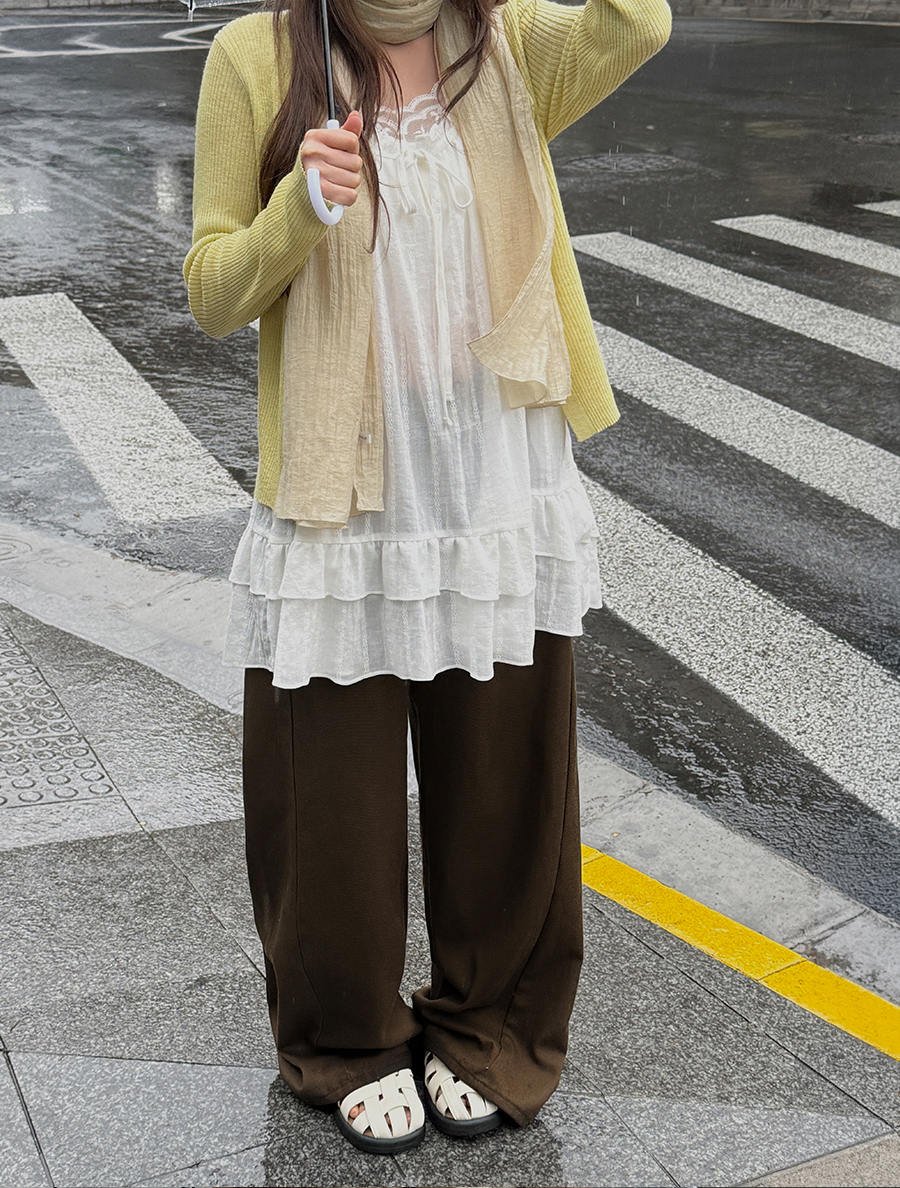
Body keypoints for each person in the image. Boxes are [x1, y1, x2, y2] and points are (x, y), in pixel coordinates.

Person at [184, 0, 670, 1155]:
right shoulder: (257, 55)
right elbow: (210, 290)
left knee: (507, 785)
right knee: (329, 802)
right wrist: (298, 210)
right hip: (342, 485)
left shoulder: (508, 43)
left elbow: (638, 21)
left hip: (491, 473)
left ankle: (491, 1027)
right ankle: (345, 1038)